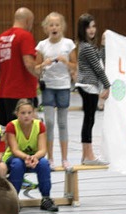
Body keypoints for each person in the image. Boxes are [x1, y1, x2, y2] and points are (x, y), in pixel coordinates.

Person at [35, 12, 76, 169]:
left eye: (57, 24)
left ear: (62, 27)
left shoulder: (68, 44)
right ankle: (50, 158)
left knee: (62, 123)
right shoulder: (42, 45)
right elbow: (36, 68)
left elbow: (74, 66)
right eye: (51, 25)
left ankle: (65, 159)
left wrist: (66, 62)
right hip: (48, 87)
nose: (54, 27)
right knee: (50, 123)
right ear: (46, 28)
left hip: (63, 86)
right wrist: (43, 64)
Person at [0, 7, 39, 126]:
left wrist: (3, 79)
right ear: (28, 20)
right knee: (26, 133)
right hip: (22, 95)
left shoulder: (0, 38)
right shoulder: (25, 36)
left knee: (8, 133)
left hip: (4, 94)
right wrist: (43, 75)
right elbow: (29, 63)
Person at [3, 99, 58, 212]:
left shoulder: (39, 125)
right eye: (23, 113)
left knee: (43, 163)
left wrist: (35, 157)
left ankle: (46, 198)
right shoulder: (11, 126)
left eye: (29, 112)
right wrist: (26, 157)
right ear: (17, 113)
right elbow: (14, 150)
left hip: (33, 157)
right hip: (15, 157)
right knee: (17, 164)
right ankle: (14, 199)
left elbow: (43, 150)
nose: (26, 116)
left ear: (33, 113)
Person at [76, 13, 111, 165]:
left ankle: (86, 155)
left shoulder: (89, 46)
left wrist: (103, 44)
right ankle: (89, 156)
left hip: (89, 86)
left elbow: (100, 60)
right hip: (88, 86)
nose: (92, 30)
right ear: (82, 29)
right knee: (89, 120)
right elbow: (98, 69)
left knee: (89, 120)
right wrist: (108, 85)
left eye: (93, 26)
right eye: (88, 27)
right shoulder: (86, 47)